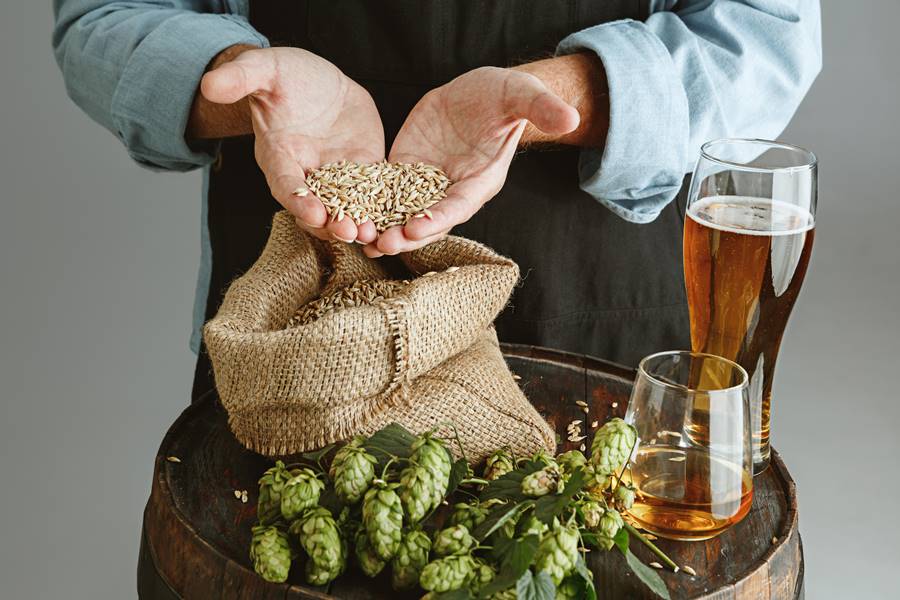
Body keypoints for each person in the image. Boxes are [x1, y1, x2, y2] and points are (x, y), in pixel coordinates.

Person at [53, 0, 821, 404]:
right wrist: (244, 80)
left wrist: (554, 99)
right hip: (299, 341)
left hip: (601, 328)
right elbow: (101, 18)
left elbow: (768, 37)